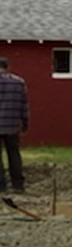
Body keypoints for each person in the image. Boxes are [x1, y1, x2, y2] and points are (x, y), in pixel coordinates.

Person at [0, 57, 28, 193]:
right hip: (12, 124)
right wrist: (25, 123)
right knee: (14, 154)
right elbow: (24, 105)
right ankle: (18, 185)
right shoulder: (19, 82)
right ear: (7, 66)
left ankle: (1, 186)